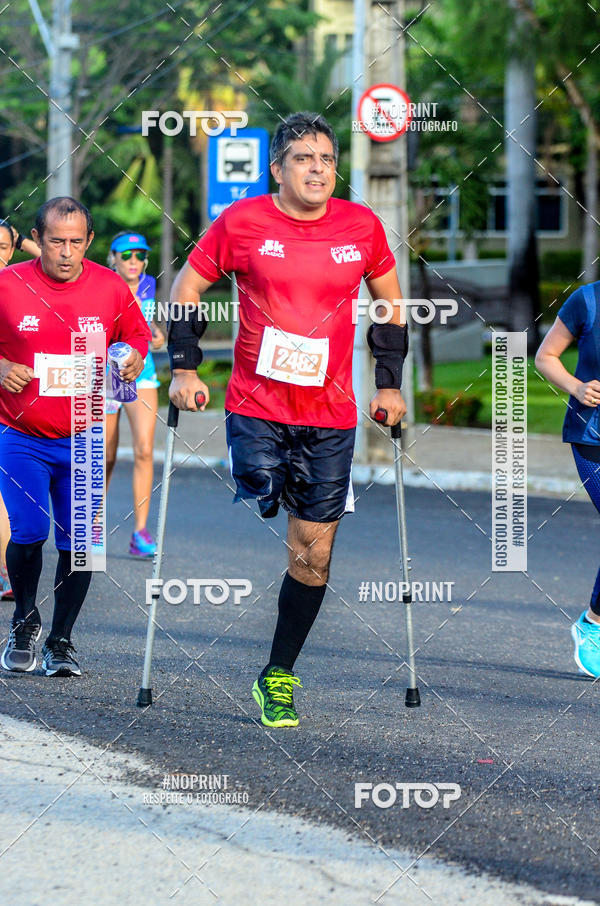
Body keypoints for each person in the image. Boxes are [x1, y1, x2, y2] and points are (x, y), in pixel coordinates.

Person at [168, 112, 408, 728]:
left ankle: (277, 674)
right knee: (260, 486)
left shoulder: (362, 226)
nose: (318, 169)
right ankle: (264, 483)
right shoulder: (243, 223)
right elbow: (187, 288)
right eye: (304, 158)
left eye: (327, 159)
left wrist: (389, 387)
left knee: (314, 555)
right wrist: (187, 368)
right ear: (278, 168)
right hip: (256, 405)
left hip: (330, 415)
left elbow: (391, 304)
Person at [0, 197, 150, 676]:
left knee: (82, 544)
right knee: (28, 530)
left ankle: (61, 641)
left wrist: (134, 358)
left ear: (88, 242)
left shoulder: (109, 287)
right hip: (20, 433)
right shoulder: (7, 284)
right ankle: (24, 621)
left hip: (84, 435)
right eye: (55, 241)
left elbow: (138, 337)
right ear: (37, 240)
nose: (66, 252)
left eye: (75, 242)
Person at [536, 282, 600, 677]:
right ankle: (592, 623)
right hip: (592, 437)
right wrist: (577, 387)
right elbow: (546, 357)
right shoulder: (588, 300)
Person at [105, 231, 165, 557]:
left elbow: (150, 326)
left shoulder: (148, 284)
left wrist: (157, 335)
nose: (133, 261)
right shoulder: (100, 283)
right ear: (112, 257)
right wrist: (13, 241)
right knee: (105, 455)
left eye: (140, 255)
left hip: (142, 374)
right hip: (104, 378)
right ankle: (92, 526)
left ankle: (139, 532)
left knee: (144, 450)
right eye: (126, 255)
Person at [0, 218, 42, 601]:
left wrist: (17, 241)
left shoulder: (19, 286)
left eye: (2, 247)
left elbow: (58, 256)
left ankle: (6, 572)